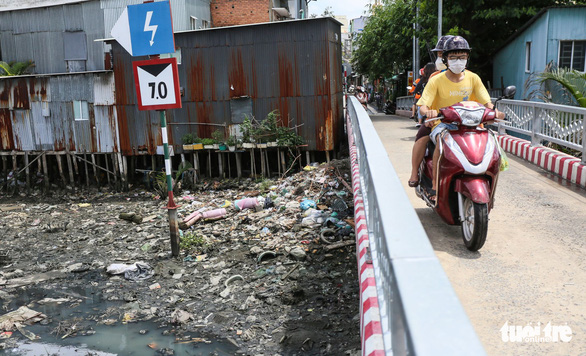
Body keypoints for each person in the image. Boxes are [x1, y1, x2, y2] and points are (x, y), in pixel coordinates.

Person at [409, 36, 504, 202]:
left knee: (492, 145)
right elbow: (423, 104)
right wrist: (428, 112)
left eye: (462, 57)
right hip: (443, 124)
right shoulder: (436, 80)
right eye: (453, 57)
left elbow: (486, 102)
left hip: (471, 124)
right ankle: (434, 185)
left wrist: (495, 112)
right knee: (440, 143)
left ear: (467, 58)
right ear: (446, 59)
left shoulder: (473, 78)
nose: (458, 61)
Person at [408, 35, 452, 187]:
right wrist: (429, 112)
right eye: (439, 55)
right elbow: (426, 101)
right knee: (422, 136)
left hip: (462, 120)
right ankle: (415, 173)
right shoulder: (434, 77)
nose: (439, 58)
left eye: (442, 54)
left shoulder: (468, 77)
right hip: (438, 120)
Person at [412, 63, 436, 127]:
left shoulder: (424, 79)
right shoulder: (439, 77)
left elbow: (417, 87)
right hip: (437, 100)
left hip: (426, 99)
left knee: (421, 106)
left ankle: (419, 121)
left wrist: (415, 92)